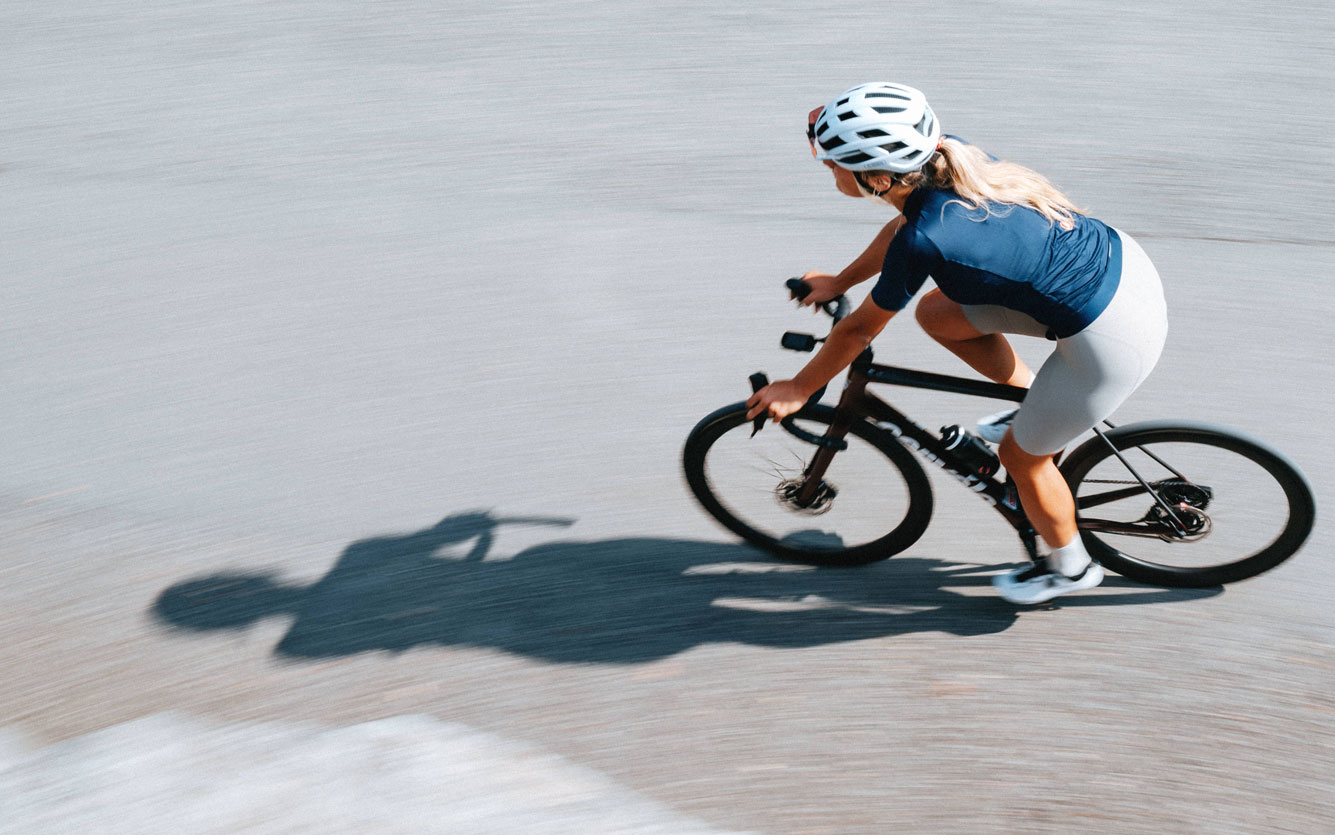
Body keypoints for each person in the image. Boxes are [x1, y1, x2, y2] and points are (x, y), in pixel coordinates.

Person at [745, 82, 1167, 604]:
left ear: (876, 177)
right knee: (939, 313)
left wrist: (800, 388)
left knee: (1023, 460)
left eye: (833, 164)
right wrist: (839, 282)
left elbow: (859, 330)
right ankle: (1031, 402)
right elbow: (904, 231)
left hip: (1112, 335)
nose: (828, 171)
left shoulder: (931, 231)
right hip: (1121, 268)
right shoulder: (946, 157)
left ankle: (1072, 568)